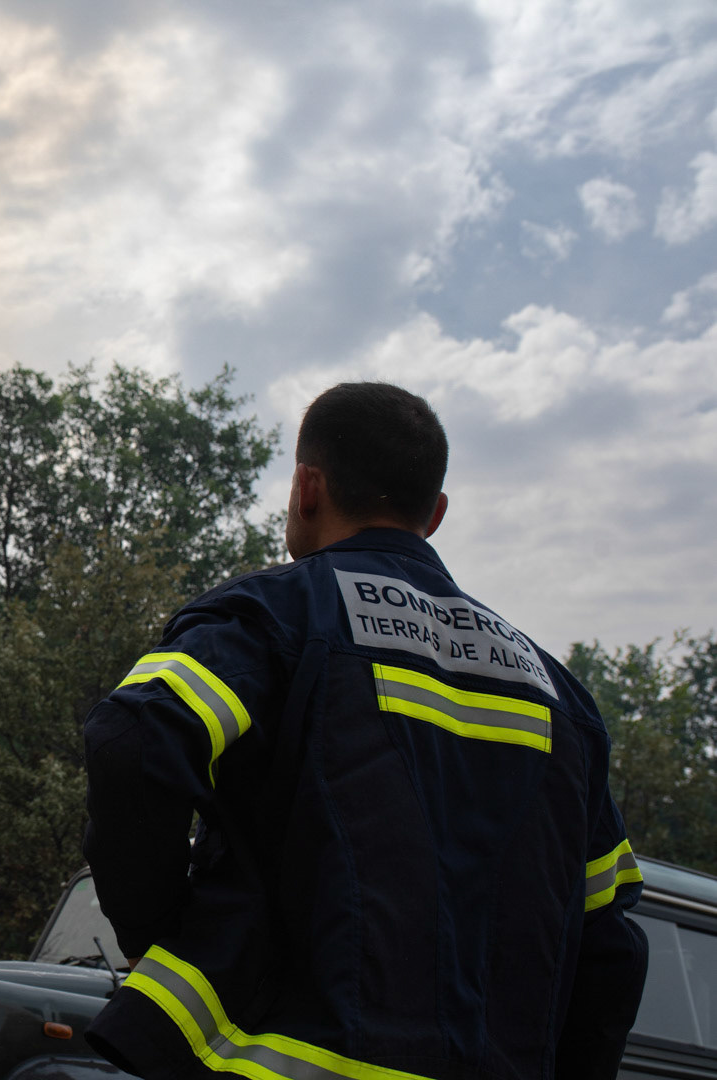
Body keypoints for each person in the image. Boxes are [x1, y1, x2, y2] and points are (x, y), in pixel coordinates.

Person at [82, 382, 648, 1080]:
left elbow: (133, 741)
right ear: (434, 514)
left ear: (307, 487)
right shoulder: (562, 699)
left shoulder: (277, 616)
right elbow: (611, 948)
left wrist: (154, 934)